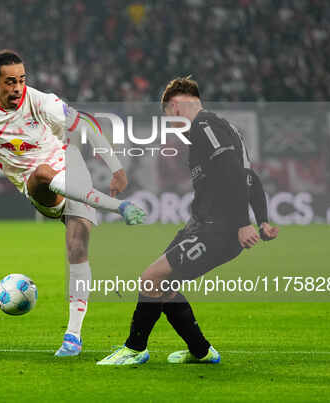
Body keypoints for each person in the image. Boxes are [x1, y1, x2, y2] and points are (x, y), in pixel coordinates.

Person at [0, 50, 146, 356]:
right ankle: (117, 207)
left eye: (22, 80)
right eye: (10, 82)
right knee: (41, 174)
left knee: (77, 249)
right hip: (38, 188)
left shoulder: (42, 101)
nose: (18, 88)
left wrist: (116, 168)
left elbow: (87, 126)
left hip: (74, 175)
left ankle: (72, 337)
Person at [96, 76, 279, 366]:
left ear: (176, 106)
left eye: (169, 118)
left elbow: (234, 173)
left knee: (151, 278)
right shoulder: (224, 128)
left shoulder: (206, 126)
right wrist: (263, 220)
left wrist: (245, 223)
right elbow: (250, 177)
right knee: (162, 285)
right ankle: (201, 352)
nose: (171, 125)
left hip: (219, 229)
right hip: (203, 225)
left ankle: (135, 348)